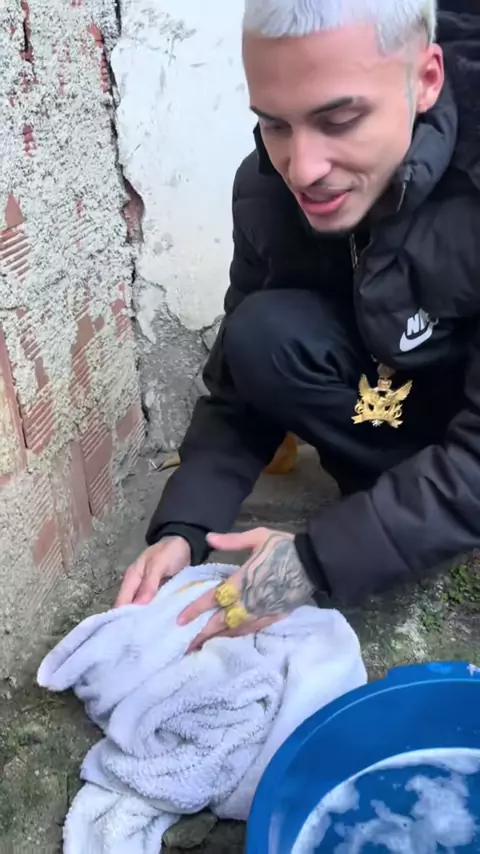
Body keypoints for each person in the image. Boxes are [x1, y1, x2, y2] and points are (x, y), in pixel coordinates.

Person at [117, 0, 480, 649]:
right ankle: (395, 510)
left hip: (464, 423)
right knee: (259, 331)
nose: (303, 168)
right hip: (393, 413)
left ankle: (409, 519)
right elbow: (238, 384)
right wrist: (185, 527)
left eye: (338, 120)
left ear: (425, 80)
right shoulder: (266, 189)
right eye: (275, 123)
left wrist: (315, 562)